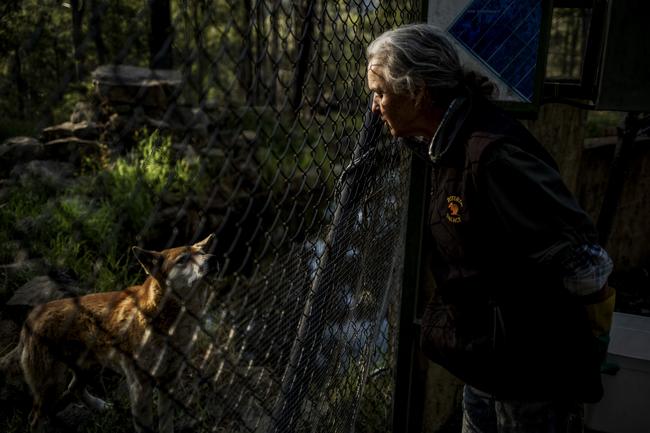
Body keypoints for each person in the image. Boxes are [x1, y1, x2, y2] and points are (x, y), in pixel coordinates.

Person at [366, 24, 616, 433]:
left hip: (530, 368)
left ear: (418, 92)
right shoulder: (447, 142)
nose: (375, 107)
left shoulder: (492, 155)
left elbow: (583, 258)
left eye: (381, 93)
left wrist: (590, 339)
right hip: (488, 359)